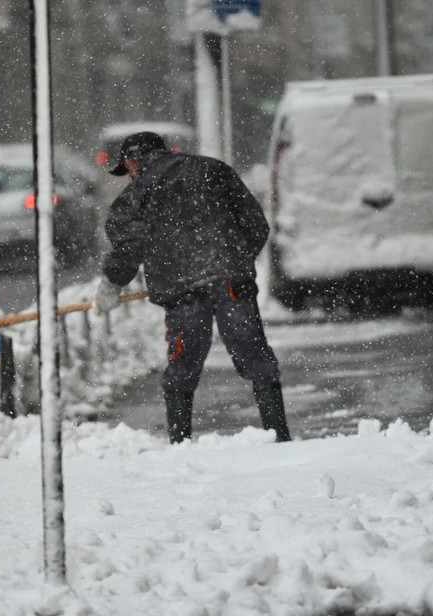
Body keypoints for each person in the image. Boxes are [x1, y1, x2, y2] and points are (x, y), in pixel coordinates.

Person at [92, 131, 291, 444]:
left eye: (127, 166)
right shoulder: (214, 169)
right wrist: (233, 261)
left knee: (183, 366)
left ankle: (180, 443)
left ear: (134, 160)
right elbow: (256, 224)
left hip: (182, 291)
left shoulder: (134, 197)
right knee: (253, 353)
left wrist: (111, 284)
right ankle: (279, 435)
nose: (129, 174)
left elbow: (128, 248)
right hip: (231, 282)